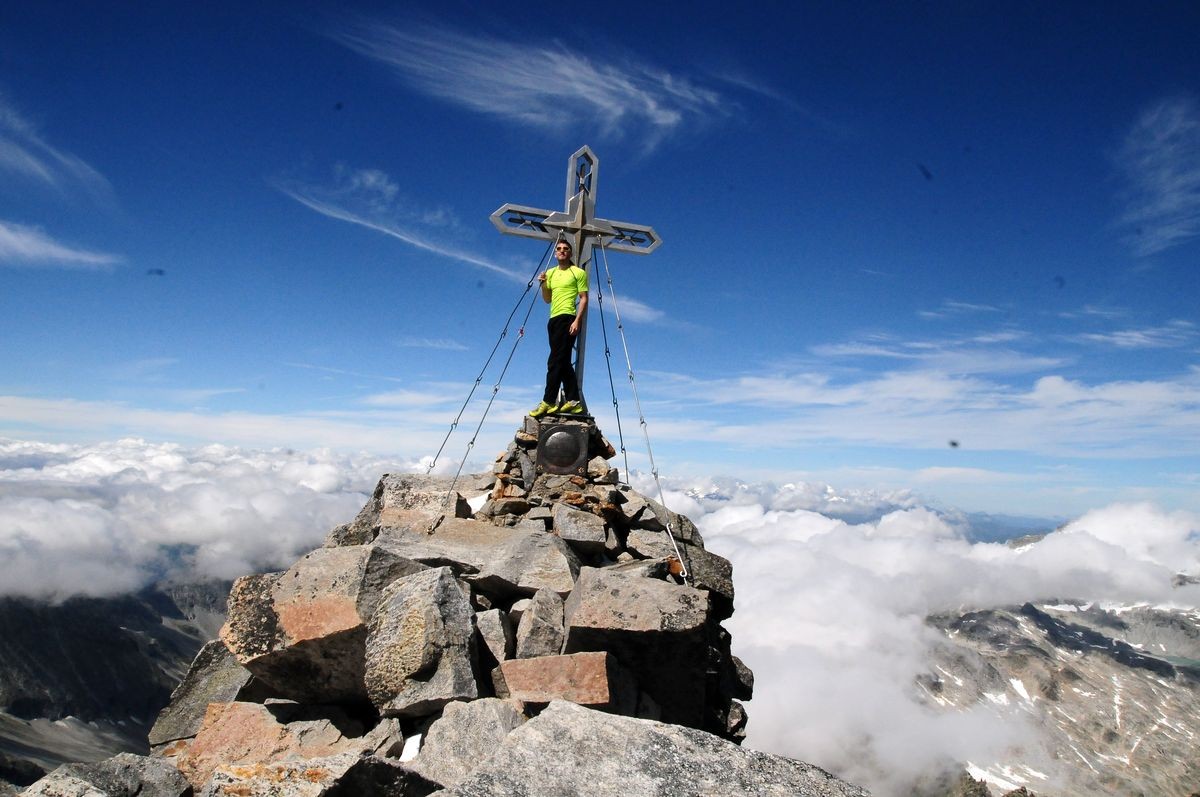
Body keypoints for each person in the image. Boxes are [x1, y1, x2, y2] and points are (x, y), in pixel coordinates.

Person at [529, 238, 588, 418]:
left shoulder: (577, 272)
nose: (562, 251)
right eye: (559, 249)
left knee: (554, 361)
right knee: (561, 361)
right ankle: (574, 401)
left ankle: (548, 401)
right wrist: (543, 284)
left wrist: (577, 320)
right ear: (555, 253)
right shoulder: (551, 273)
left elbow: (584, 298)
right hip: (553, 320)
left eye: (565, 249)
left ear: (570, 253)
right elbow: (547, 299)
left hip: (568, 318)